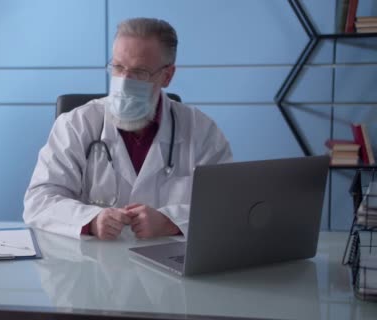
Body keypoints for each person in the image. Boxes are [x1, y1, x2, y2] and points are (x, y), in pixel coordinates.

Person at [23, 18, 232, 240]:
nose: (123, 81)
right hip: (92, 266)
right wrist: (91, 219)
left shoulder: (201, 130)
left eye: (140, 72)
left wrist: (170, 221)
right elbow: (39, 201)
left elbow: (227, 204)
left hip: (171, 266)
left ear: (167, 76)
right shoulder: (76, 124)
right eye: (118, 67)